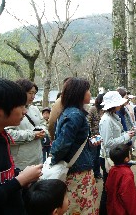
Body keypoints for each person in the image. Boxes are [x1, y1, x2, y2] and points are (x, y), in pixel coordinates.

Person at [0, 77, 43, 214]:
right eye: (20, 106)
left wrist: (19, 174)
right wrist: (20, 180)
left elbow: (1, 176)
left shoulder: (1, 134)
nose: (24, 111)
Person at [50, 77, 99, 214]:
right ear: (79, 93)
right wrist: (53, 160)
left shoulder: (71, 112)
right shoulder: (75, 115)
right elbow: (62, 144)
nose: (90, 93)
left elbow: (71, 142)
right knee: (80, 208)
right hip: (78, 171)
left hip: (78, 167)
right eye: (87, 90)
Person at [98, 91, 135, 215]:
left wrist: (125, 135)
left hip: (115, 155)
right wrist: (125, 137)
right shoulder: (107, 120)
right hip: (110, 157)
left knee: (114, 187)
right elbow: (108, 142)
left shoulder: (113, 116)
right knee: (108, 188)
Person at [6, 79, 48, 170]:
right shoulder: (11, 110)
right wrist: (32, 134)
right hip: (21, 161)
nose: (33, 96)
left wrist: (42, 131)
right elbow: (8, 134)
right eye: (30, 93)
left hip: (37, 157)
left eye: (34, 93)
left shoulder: (34, 109)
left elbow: (43, 124)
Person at [106, 142, 136, 215]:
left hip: (113, 205)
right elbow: (129, 196)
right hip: (122, 209)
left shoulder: (113, 169)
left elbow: (108, 186)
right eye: (129, 153)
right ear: (126, 159)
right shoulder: (126, 173)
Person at [87, 94, 105, 180]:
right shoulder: (93, 109)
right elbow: (88, 121)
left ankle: (97, 172)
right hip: (94, 136)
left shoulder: (104, 110)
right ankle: (92, 174)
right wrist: (91, 135)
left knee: (99, 155)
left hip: (101, 136)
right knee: (93, 155)